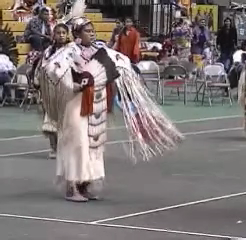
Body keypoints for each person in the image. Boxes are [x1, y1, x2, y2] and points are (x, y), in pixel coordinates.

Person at [37, 15, 183, 202]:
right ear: (77, 34)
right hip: (76, 103)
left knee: (93, 145)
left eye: (92, 30)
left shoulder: (100, 49)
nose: (92, 33)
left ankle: (85, 184)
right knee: (77, 143)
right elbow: (51, 70)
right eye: (87, 31)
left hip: (97, 103)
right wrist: (73, 84)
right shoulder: (68, 52)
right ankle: (71, 186)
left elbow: (120, 63)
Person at [34, 23, 70, 159]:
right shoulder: (49, 51)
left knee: (67, 121)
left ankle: (66, 147)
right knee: (51, 120)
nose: (61, 35)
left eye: (63, 33)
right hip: (50, 90)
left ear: (67, 35)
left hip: (67, 90)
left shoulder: (72, 50)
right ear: (54, 35)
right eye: (58, 33)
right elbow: (42, 68)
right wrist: (38, 81)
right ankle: (54, 147)